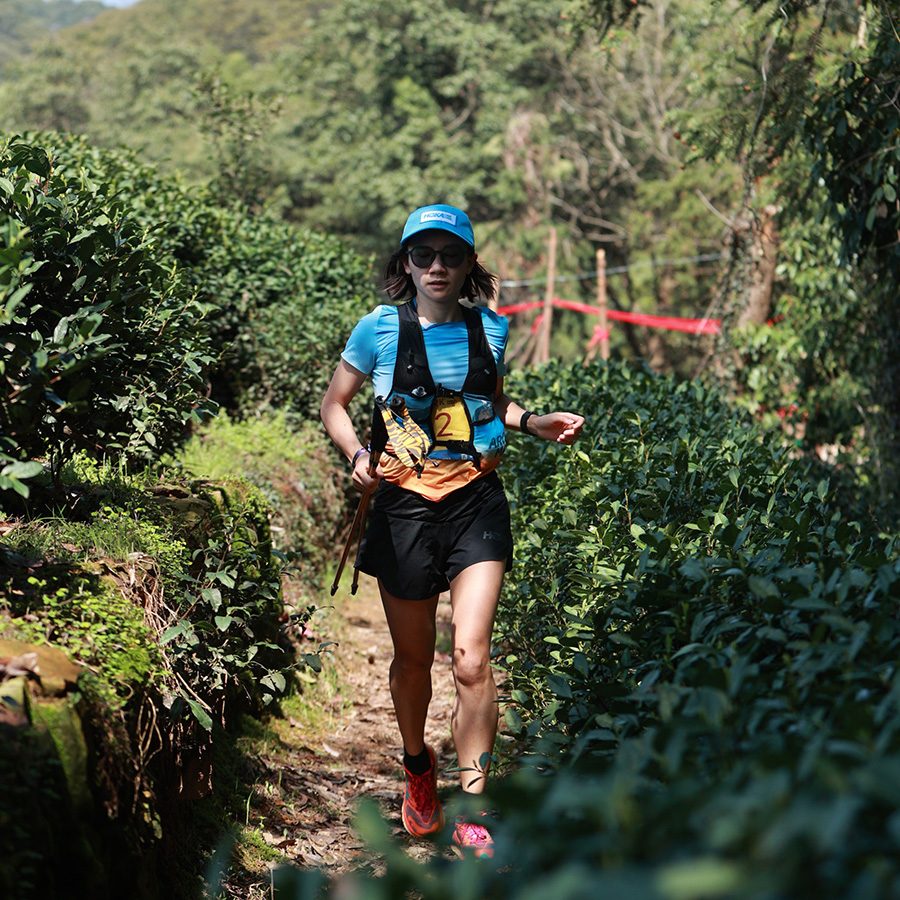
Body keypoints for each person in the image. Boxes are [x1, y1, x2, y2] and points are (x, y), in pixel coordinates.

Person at [320, 204, 584, 859]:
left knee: (471, 657)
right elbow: (335, 405)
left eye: (450, 256)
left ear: (469, 266)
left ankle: (475, 804)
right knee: (413, 661)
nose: (436, 266)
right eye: (423, 255)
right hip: (404, 509)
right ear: (405, 263)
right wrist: (357, 456)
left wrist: (533, 421)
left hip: (476, 503)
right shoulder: (378, 330)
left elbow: (488, 403)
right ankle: (418, 769)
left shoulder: (489, 328)